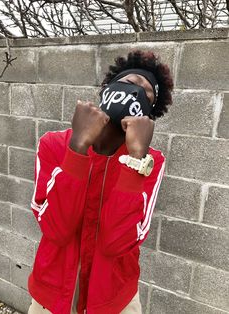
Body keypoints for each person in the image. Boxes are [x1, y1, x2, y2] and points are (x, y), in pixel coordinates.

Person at [27, 50, 173, 314]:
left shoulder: (151, 161)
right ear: (108, 89)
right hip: (53, 291)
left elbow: (116, 242)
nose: (136, 91)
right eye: (129, 83)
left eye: (147, 93)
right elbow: (56, 230)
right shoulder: (55, 143)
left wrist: (135, 158)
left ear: (149, 113)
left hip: (115, 298)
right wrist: (78, 148)